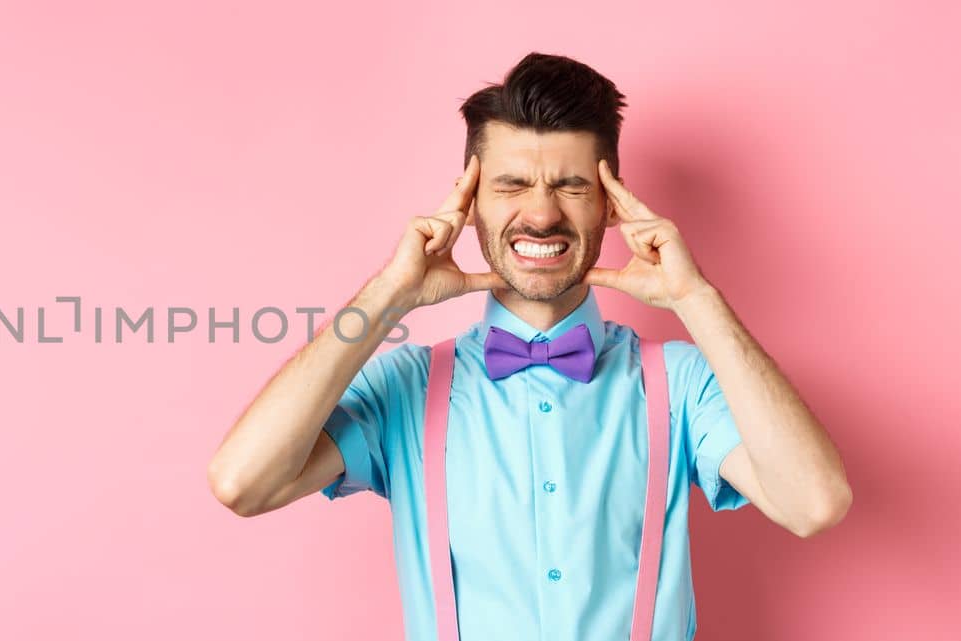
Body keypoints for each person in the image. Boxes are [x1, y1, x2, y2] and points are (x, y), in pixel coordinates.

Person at [205, 52, 851, 641]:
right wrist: (388, 294)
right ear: (470, 204)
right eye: (511, 185)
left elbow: (814, 503)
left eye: (571, 186)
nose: (542, 215)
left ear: (612, 206)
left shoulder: (681, 382)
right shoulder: (406, 384)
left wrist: (697, 299)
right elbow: (242, 482)